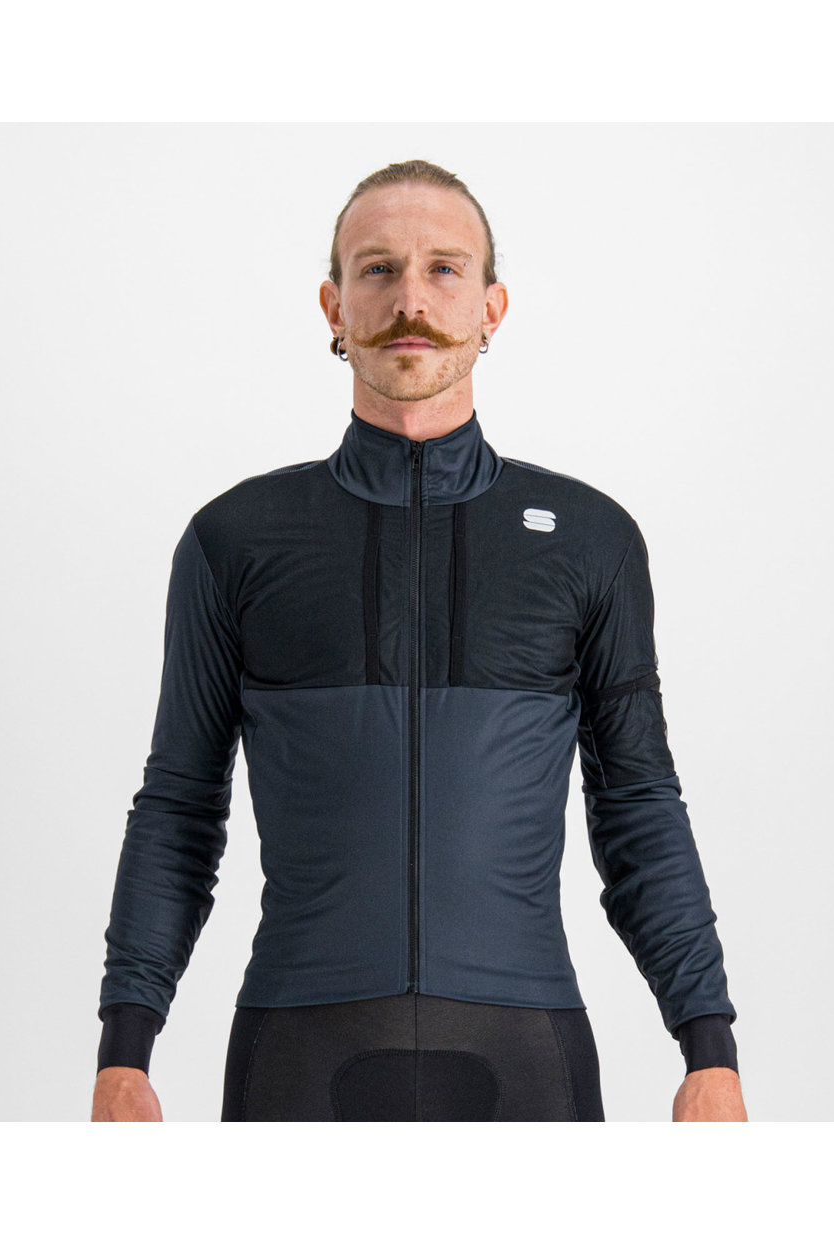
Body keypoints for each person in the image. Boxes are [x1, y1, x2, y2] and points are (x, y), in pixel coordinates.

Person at [91, 159, 747, 1123]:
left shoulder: (590, 539)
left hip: (525, 1054)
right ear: (334, 306)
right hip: (298, 1053)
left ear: (491, 308)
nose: (411, 300)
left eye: (444, 269)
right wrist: (124, 1050)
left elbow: (637, 804)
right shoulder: (236, 540)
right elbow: (180, 806)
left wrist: (709, 1047)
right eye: (378, 269)